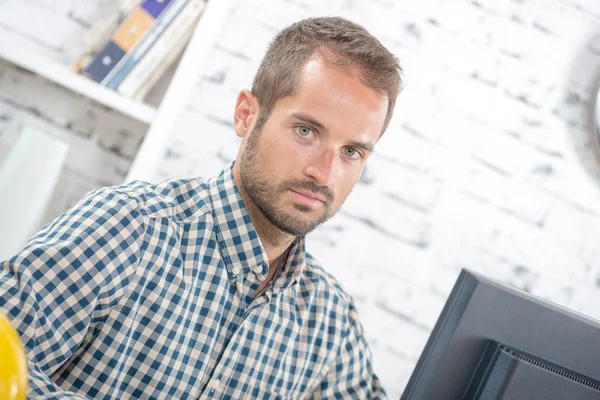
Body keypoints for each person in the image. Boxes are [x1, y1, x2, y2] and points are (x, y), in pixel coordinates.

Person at [0, 16, 402, 399]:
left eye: (351, 151)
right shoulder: (128, 226)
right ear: (247, 115)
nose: (324, 174)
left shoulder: (331, 321)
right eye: (306, 131)